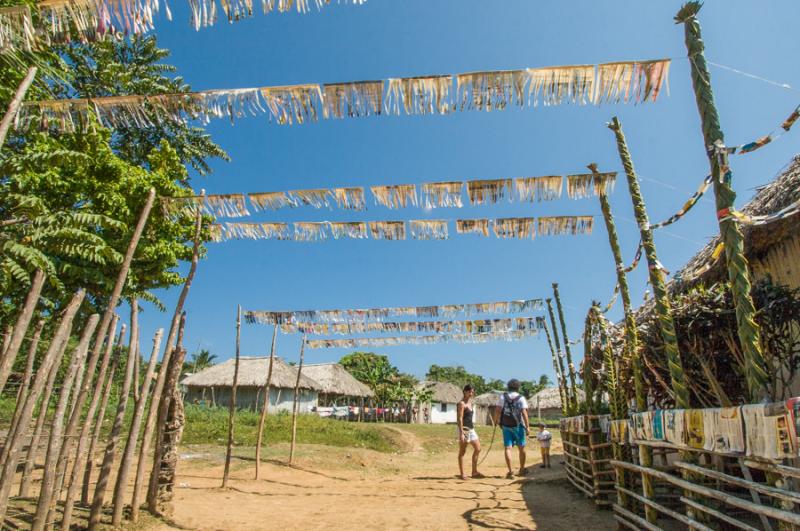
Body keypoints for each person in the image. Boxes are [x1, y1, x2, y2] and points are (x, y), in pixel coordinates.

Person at [494, 379, 529, 479]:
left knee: (508, 448)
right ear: (518, 387)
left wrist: (496, 421)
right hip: (518, 426)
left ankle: (510, 472)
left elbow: (497, 410)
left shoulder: (502, 397)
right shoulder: (521, 398)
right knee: (521, 448)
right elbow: (524, 413)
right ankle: (522, 469)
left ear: (508, 387)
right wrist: (527, 427)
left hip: (506, 425)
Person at [457, 384, 484, 480]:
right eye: (470, 391)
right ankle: (462, 474)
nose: (471, 393)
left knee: (478, 448)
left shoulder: (470, 403)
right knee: (462, 452)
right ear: (465, 391)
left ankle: (474, 471)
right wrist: (461, 433)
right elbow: (460, 419)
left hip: (471, 429)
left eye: (472, 392)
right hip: (464, 429)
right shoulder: (461, 404)